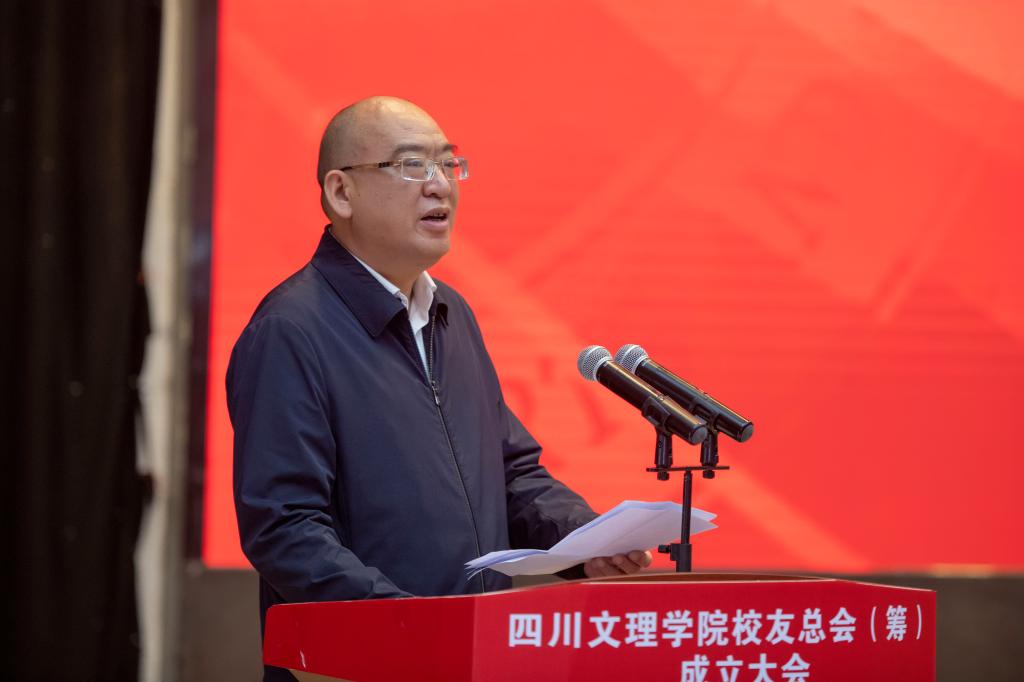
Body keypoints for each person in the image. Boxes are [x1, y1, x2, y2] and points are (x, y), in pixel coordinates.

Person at [227, 96, 652, 680]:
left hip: (473, 654)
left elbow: (511, 473)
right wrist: (408, 625)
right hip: (362, 665)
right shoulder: (291, 330)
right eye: (411, 165)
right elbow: (285, 528)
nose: (440, 185)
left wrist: (585, 539)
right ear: (341, 193)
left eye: (448, 164)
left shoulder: (451, 314)